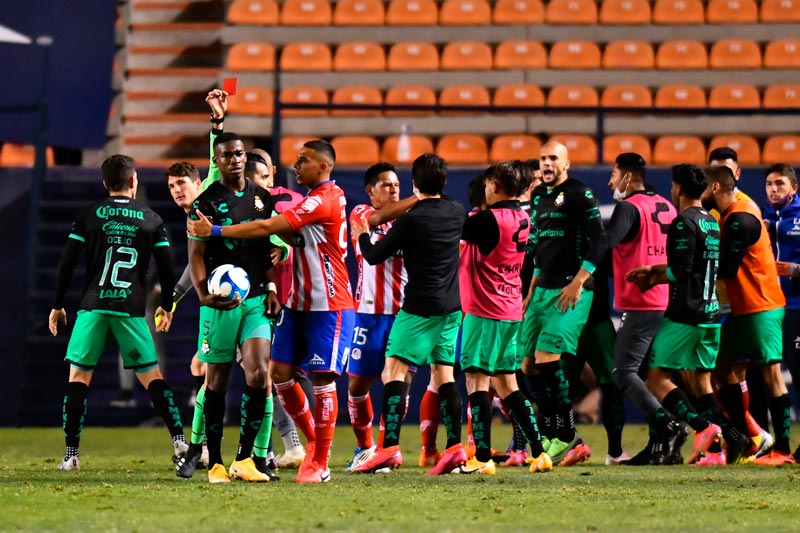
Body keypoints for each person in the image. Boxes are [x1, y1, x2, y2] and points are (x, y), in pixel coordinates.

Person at [189, 139, 355, 484]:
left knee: (316, 379)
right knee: (278, 373)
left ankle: (317, 460)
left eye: (303, 161)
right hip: (297, 303)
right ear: (217, 160)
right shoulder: (211, 200)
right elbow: (281, 238)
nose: (295, 167)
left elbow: (267, 230)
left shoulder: (322, 198)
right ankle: (218, 454)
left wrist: (218, 232)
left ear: (323, 166)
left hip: (329, 302)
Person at [49, 154, 187, 471]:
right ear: (133, 181)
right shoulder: (151, 218)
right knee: (152, 377)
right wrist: (168, 304)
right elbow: (167, 268)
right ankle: (179, 440)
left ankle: (71, 455)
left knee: (78, 378)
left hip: (94, 306)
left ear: (105, 183)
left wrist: (57, 304)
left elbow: (66, 263)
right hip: (130, 309)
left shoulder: (88, 215)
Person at [351, 153, 467, 475]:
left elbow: (373, 255)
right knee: (444, 376)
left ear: (414, 184)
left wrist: (361, 235)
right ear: (444, 182)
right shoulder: (457, 213)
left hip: (417, 307)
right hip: (451, 308)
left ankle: (388, 448)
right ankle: (455, 448)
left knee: (393, 372)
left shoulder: (411, 220)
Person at [628, 164, 743, 467]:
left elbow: (680, 271)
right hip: (710, 313)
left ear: (677, 188)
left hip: (684, 315)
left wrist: (653, 277)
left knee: (655, 378)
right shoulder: (711, 222)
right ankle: (727, 444)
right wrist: (654, 270)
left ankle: (704, 427)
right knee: (701, 385)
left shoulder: (683, 223)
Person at [187, 132, 281, 483]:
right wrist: (201, 293)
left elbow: (265, 247)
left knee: (258, 372)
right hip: (219, 303)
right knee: (217, 382)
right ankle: (215, 463)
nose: (235, 160)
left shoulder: (262, 198)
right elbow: (195, 254)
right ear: (217, 160)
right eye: (227, 156)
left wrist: (271, 286)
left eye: (239, 154)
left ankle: (245, 459)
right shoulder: (206, 202)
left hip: (255, 298)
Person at [456, 161, 553, 475]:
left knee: (476, 380)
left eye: (488, 184)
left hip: (484, 310)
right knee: (508, 383)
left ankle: (481, 457)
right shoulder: (523, 218)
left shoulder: (486, 220)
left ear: (494, 186)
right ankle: (539, 454)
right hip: (510, 308)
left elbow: (452, 227)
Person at [519, 141, 608, 466]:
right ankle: (551, 431)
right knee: (527, 365)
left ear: (566, 163)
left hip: (573, 288)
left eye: (553, 158)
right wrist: (531, 288)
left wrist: (579, 281)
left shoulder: (579, 194)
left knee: (546, 358)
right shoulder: (539, 197)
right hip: (542, 290)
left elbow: (600, 240)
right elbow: (542, 248)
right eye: (543, 158)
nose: (546, 163)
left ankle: (567, 437)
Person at [701, 164, 794, 465]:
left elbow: (727, 268)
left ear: (714, 188)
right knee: (720, 368)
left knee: (771, 377)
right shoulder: (732, 215)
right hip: (744, 309)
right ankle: (748, 437)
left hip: (762, 306)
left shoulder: (740, 218)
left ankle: (783, 450)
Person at [605, 153, 683, 466]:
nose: (610, 181)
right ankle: (663, 446)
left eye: (613, 174)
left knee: (622, 372)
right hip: (666, 296)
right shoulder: (666, 204)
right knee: (655, 376)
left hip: (641, 300)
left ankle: (669, 426)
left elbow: (607, 243)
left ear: (627, 177)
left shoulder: (628, 207)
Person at [244, 148, 311, 469]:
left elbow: (293, 232)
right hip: (259, 299)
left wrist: (281, 246)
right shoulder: (241, 201)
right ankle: (286, 446)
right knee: (266, 375)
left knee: (272, 375)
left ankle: (292, 445)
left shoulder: (285, 199)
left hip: (284, 300)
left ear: (270, 173)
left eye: (256, 174)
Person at [345, 162, 412, 471]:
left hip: (403, 313)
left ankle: (387, 448)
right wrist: (422, 197)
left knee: (398, 382)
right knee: (357, 385)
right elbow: (375, 219)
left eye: (397, 184)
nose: (394, 189)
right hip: (368, 315)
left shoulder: (412, 221)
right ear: (370, 190)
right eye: (386, 185)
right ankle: (364, 447)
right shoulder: (361, 214)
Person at [762, 163, 800, 461]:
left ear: (793, 188)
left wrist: (793, 270)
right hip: (771, 308)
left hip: (798, 308)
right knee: (767, 374)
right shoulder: (763, 219)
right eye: (769, 184)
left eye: (780, 184)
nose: (773, 189)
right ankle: (775, 446)